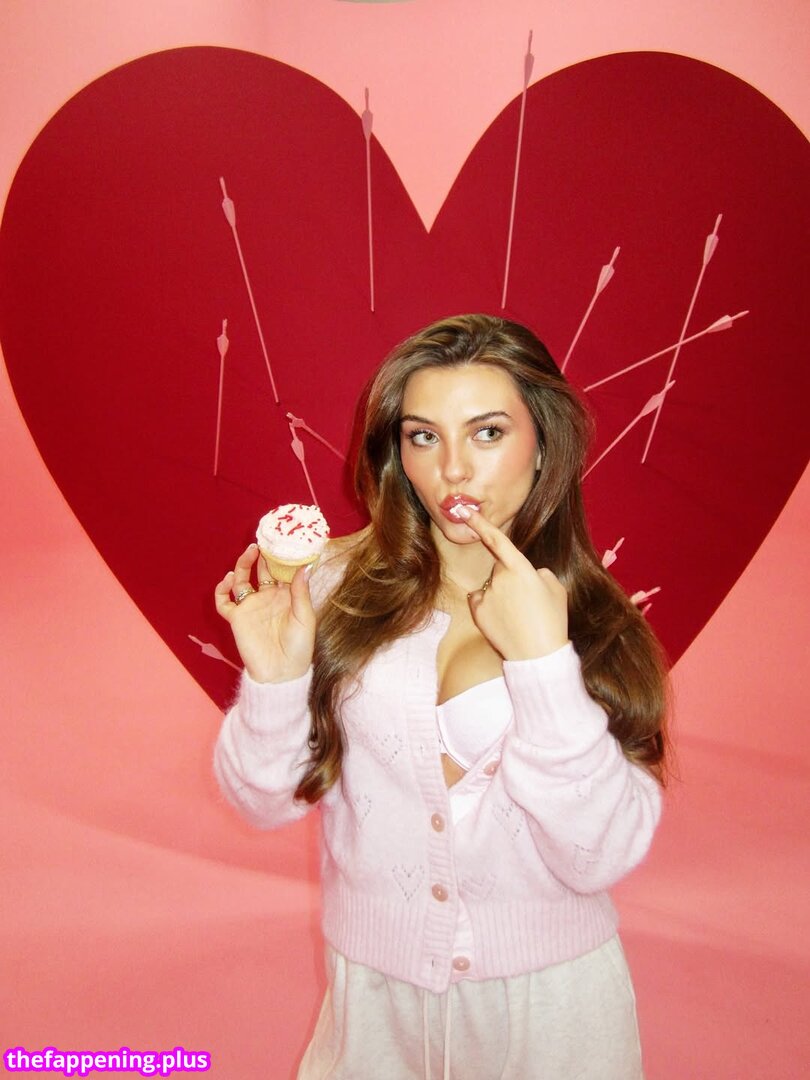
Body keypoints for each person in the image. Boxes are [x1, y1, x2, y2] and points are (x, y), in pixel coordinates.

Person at [213, 314, 669, 1079]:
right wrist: (275, 679)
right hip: (374, 1013)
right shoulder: (331, 588)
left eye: (487, 432)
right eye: (423, 437)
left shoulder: (596, 622)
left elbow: (601, 855)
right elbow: (263, 801)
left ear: (543, 443)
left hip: (556, 1019)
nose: (453, 469)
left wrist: (544, 666)